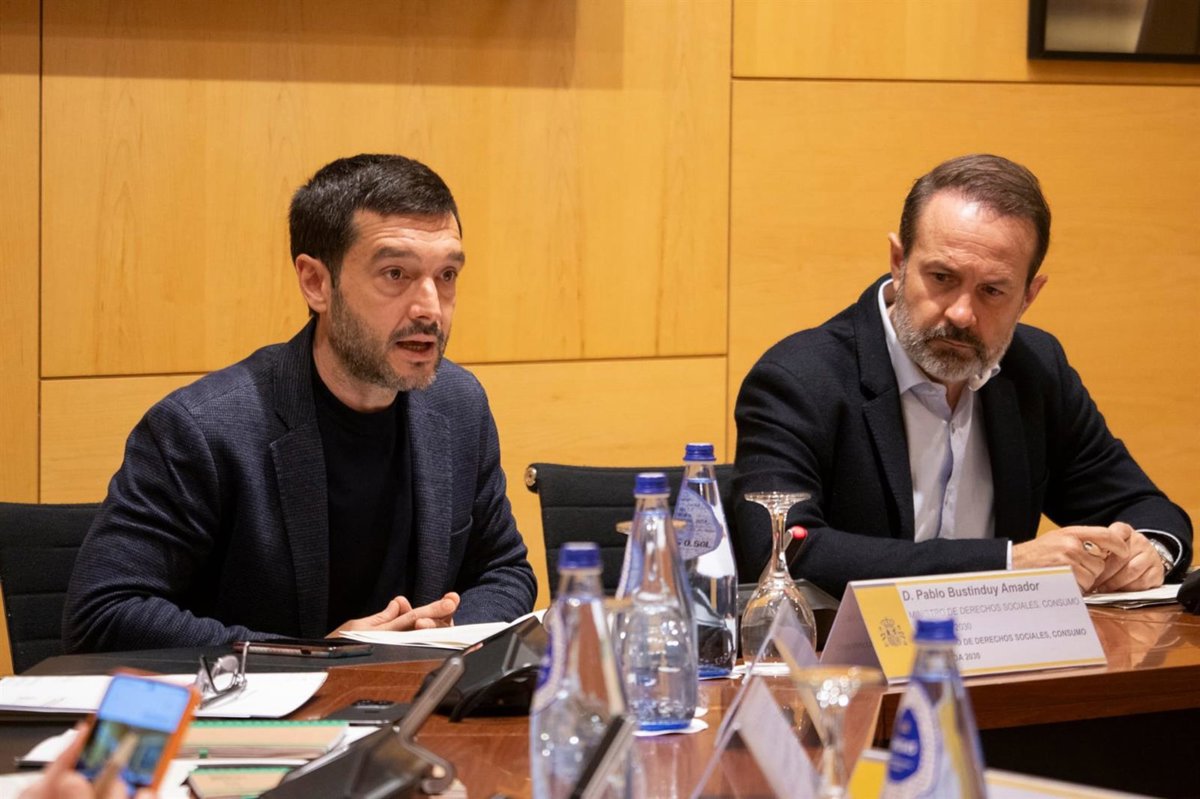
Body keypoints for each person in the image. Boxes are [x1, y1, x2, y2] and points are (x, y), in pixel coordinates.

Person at [64, 154, 536, 652]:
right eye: (395, 273)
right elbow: (102, 616)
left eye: (447, 275)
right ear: (316, 283)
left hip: (414, 696)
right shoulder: (203, 429)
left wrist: (439, 636)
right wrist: (310, 656)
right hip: (259, 702)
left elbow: (504, 570)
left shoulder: (458, 405)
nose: (430, 308)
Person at [733, 153, 1192, 598]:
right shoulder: (799, 379)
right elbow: (782, 549)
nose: (961, 314)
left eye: (992, 290)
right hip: (848, 648)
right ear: (898, 261)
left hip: (1007, 648)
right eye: (942, 277)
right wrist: (1006, 565)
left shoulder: (1035, 368)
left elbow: (1143, 508)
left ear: (1029, 296)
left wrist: (1149, 553)